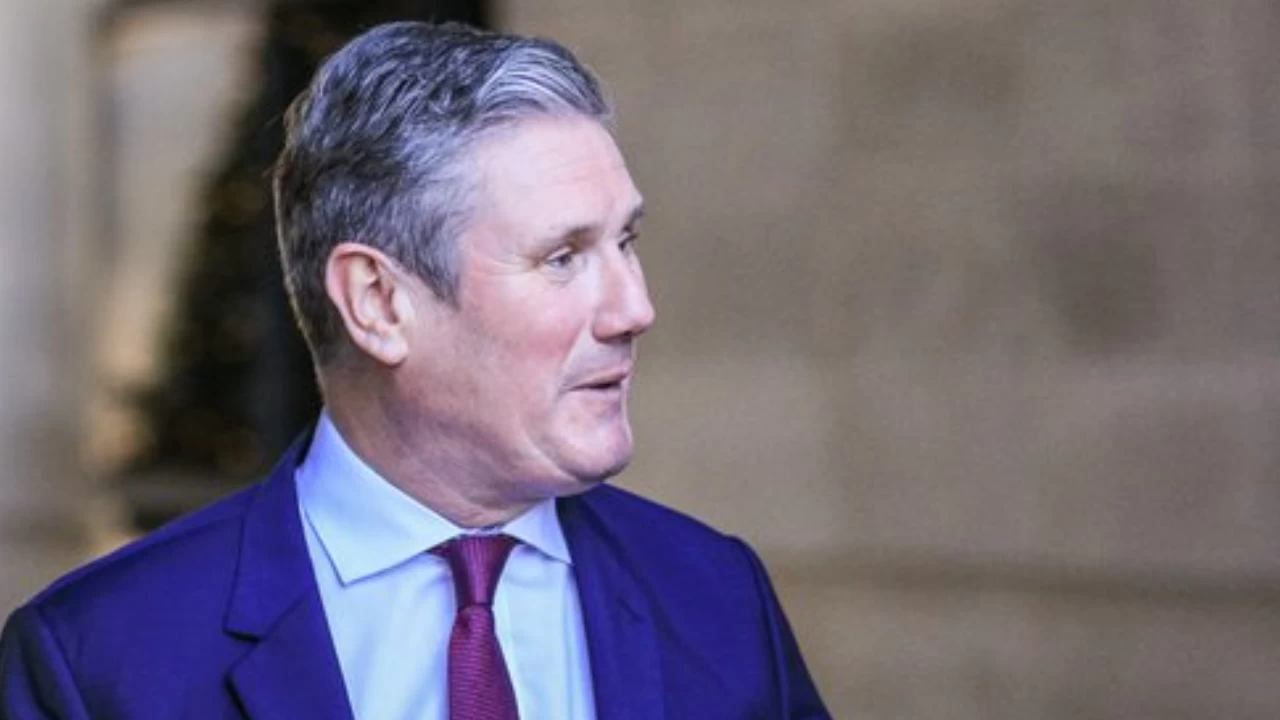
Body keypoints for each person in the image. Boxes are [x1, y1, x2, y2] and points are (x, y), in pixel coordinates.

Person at [0, 21, 828, 719]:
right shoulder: (99, 660)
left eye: (626, 242)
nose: (633, 308)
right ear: (378, 302)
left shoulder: (718, 599)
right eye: (563, 257)